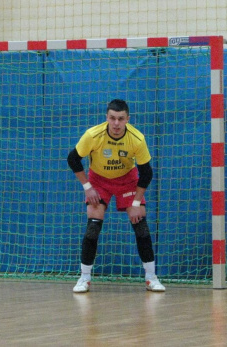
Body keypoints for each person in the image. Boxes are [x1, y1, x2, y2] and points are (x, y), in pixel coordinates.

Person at [67, 99, 165, 293]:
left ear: (128, 119)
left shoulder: (137, 139)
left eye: (121, 119)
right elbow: (73, 159)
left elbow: (146, 173)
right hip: (99, 181)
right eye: (112, 118)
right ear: (107, 118)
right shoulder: (93, 135)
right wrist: (87, 187)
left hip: (127, 181)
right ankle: (84, 278)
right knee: (93, 225)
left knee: (141, 225)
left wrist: (136, 202)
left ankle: (151, 277)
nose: (116, 123)